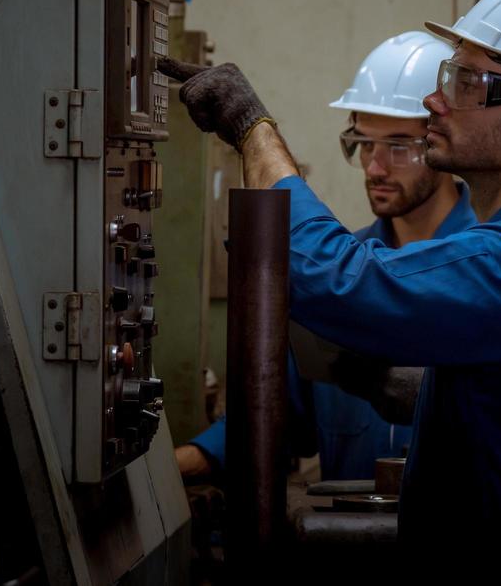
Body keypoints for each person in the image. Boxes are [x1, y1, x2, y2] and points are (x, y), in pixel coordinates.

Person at [162, 0, 501, 565]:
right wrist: (433, 394)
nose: (435, 101)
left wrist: (251, 129)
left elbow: (337, 278)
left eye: (468, 81)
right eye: (448, 75)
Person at [175, 31, 475, 482]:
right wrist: (172, 468)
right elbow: (273, 418)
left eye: (397, 146)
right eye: (363, 144)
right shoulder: (329, 275)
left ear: (443, 142)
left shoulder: (490, 263)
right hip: (345, 542)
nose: (374, 168)